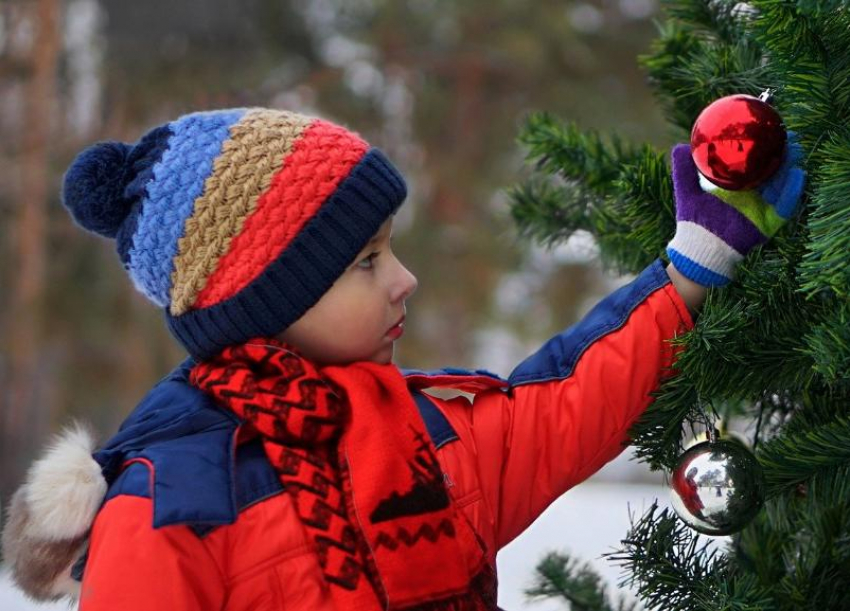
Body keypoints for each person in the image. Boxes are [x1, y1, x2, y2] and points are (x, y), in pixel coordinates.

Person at [1, 108, 805, 611]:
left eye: (391, 250)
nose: (405, 280)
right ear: (266, 299)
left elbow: (562, 404)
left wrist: (694, 263)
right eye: (366, 261)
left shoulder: (421, 431)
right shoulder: (169, 504)